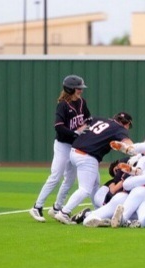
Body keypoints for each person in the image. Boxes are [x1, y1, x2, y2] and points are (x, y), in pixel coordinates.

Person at [29, 75, 92, 222]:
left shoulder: (82, 102)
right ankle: (37, 207)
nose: (81, 91)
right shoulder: (63, 105)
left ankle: (57, 208)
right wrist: (75, 133)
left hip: (74, 146)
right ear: (70, 89)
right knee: (55, 176)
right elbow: (58, 126)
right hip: (63, 145)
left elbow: (89, 118)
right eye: (78, 88)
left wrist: (85, 126)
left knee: (70, 179)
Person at [54, 112, 134, 224]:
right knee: (85, 189)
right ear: (127, 123)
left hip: (74, 151)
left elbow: (81, 127)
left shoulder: (98, 119)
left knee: (95, 184)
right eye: (128, 126)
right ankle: (64, 212)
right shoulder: (119, 128)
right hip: (87, 156)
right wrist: (137, 151)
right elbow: (129, 144)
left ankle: (98, 211)